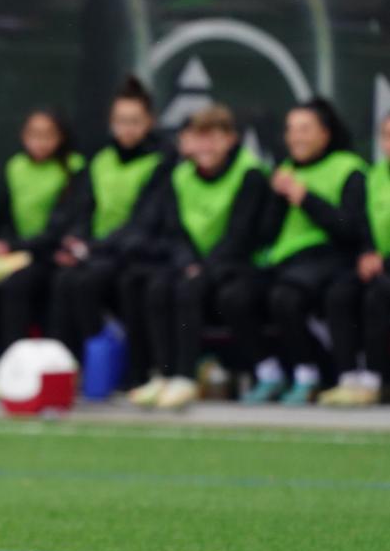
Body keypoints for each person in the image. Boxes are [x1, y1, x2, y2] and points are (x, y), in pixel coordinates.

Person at [127, 105, 268, 410]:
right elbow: (175, 231)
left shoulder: (250, 174)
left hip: (237, 268)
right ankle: (163, 375)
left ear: (230, 140)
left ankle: (185, 377)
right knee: (157, 286)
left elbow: (240, 236)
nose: (206, 146)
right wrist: (188, 263)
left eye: (214, 138)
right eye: (199, 138)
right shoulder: (180, 176)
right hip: (193, 265)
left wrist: (202, 269)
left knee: (188, 289)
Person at [233, 98, 367, 405]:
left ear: (325, 133)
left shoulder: (349, 169)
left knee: (285, 297)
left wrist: (304, 197)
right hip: (286, 263)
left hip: (329, 259)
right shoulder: (285, 171)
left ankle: (309, 376)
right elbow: (266, 233)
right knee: (235, 296)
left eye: (305, 129)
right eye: (291, 130)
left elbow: (350, 228)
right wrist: (278, 197)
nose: (295, 137)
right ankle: (269, 373)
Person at [46, 77, 172, 378]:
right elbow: (85, 210)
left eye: (134, 121)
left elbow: (144, 222)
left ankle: (115, 367)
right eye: (120, 121)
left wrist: (91, 249)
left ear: (149, 122)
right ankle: (64, 369)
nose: (127, 129)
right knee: (64, 279)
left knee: (87, 282)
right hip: (99, 252)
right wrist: (75, 242)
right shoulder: (101, 160)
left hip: (136, 253)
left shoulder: (161, 162)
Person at [0, 109, 84, 397]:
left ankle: (41, 372)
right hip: (19, 255)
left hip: (52, 256)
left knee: (18, 285)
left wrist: (19, 249)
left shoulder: (74, 167)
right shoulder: (15, 166)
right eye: (34, 135)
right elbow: (3, 216)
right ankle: (7, 365)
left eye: (48, 136)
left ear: (61, 138)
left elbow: (62, 224)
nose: (40, 142)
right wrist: (4, 244)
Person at [320, 113, 390, 406]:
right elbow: (364, 223)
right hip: (380, 261)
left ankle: (375, 380)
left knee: (380, 293)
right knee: (340, 294)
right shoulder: (374, 175)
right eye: (387, 135)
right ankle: (348, 377)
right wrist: (367, 252)